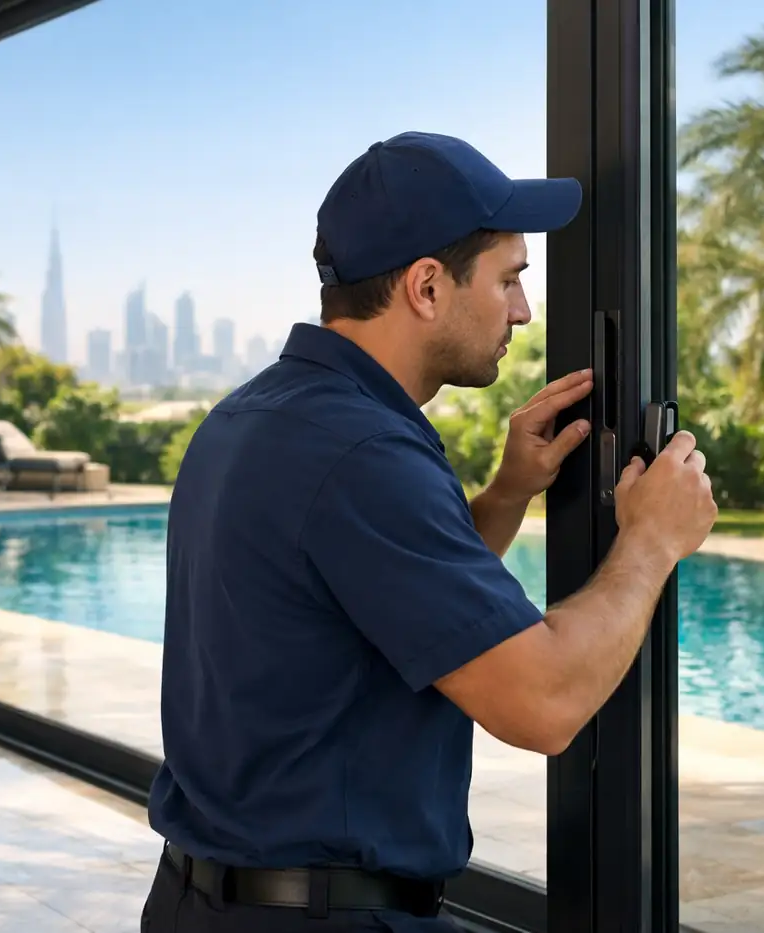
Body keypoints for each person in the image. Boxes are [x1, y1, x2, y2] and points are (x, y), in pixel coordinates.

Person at [139, 131, 717, 933]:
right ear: (425, 286)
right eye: (510, 279)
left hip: (198, 903)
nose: (522, 309)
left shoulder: (255, 417)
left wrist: (509, 493)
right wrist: (652, 541)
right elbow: (542, 702)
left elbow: (385, 615)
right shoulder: (363, 454)